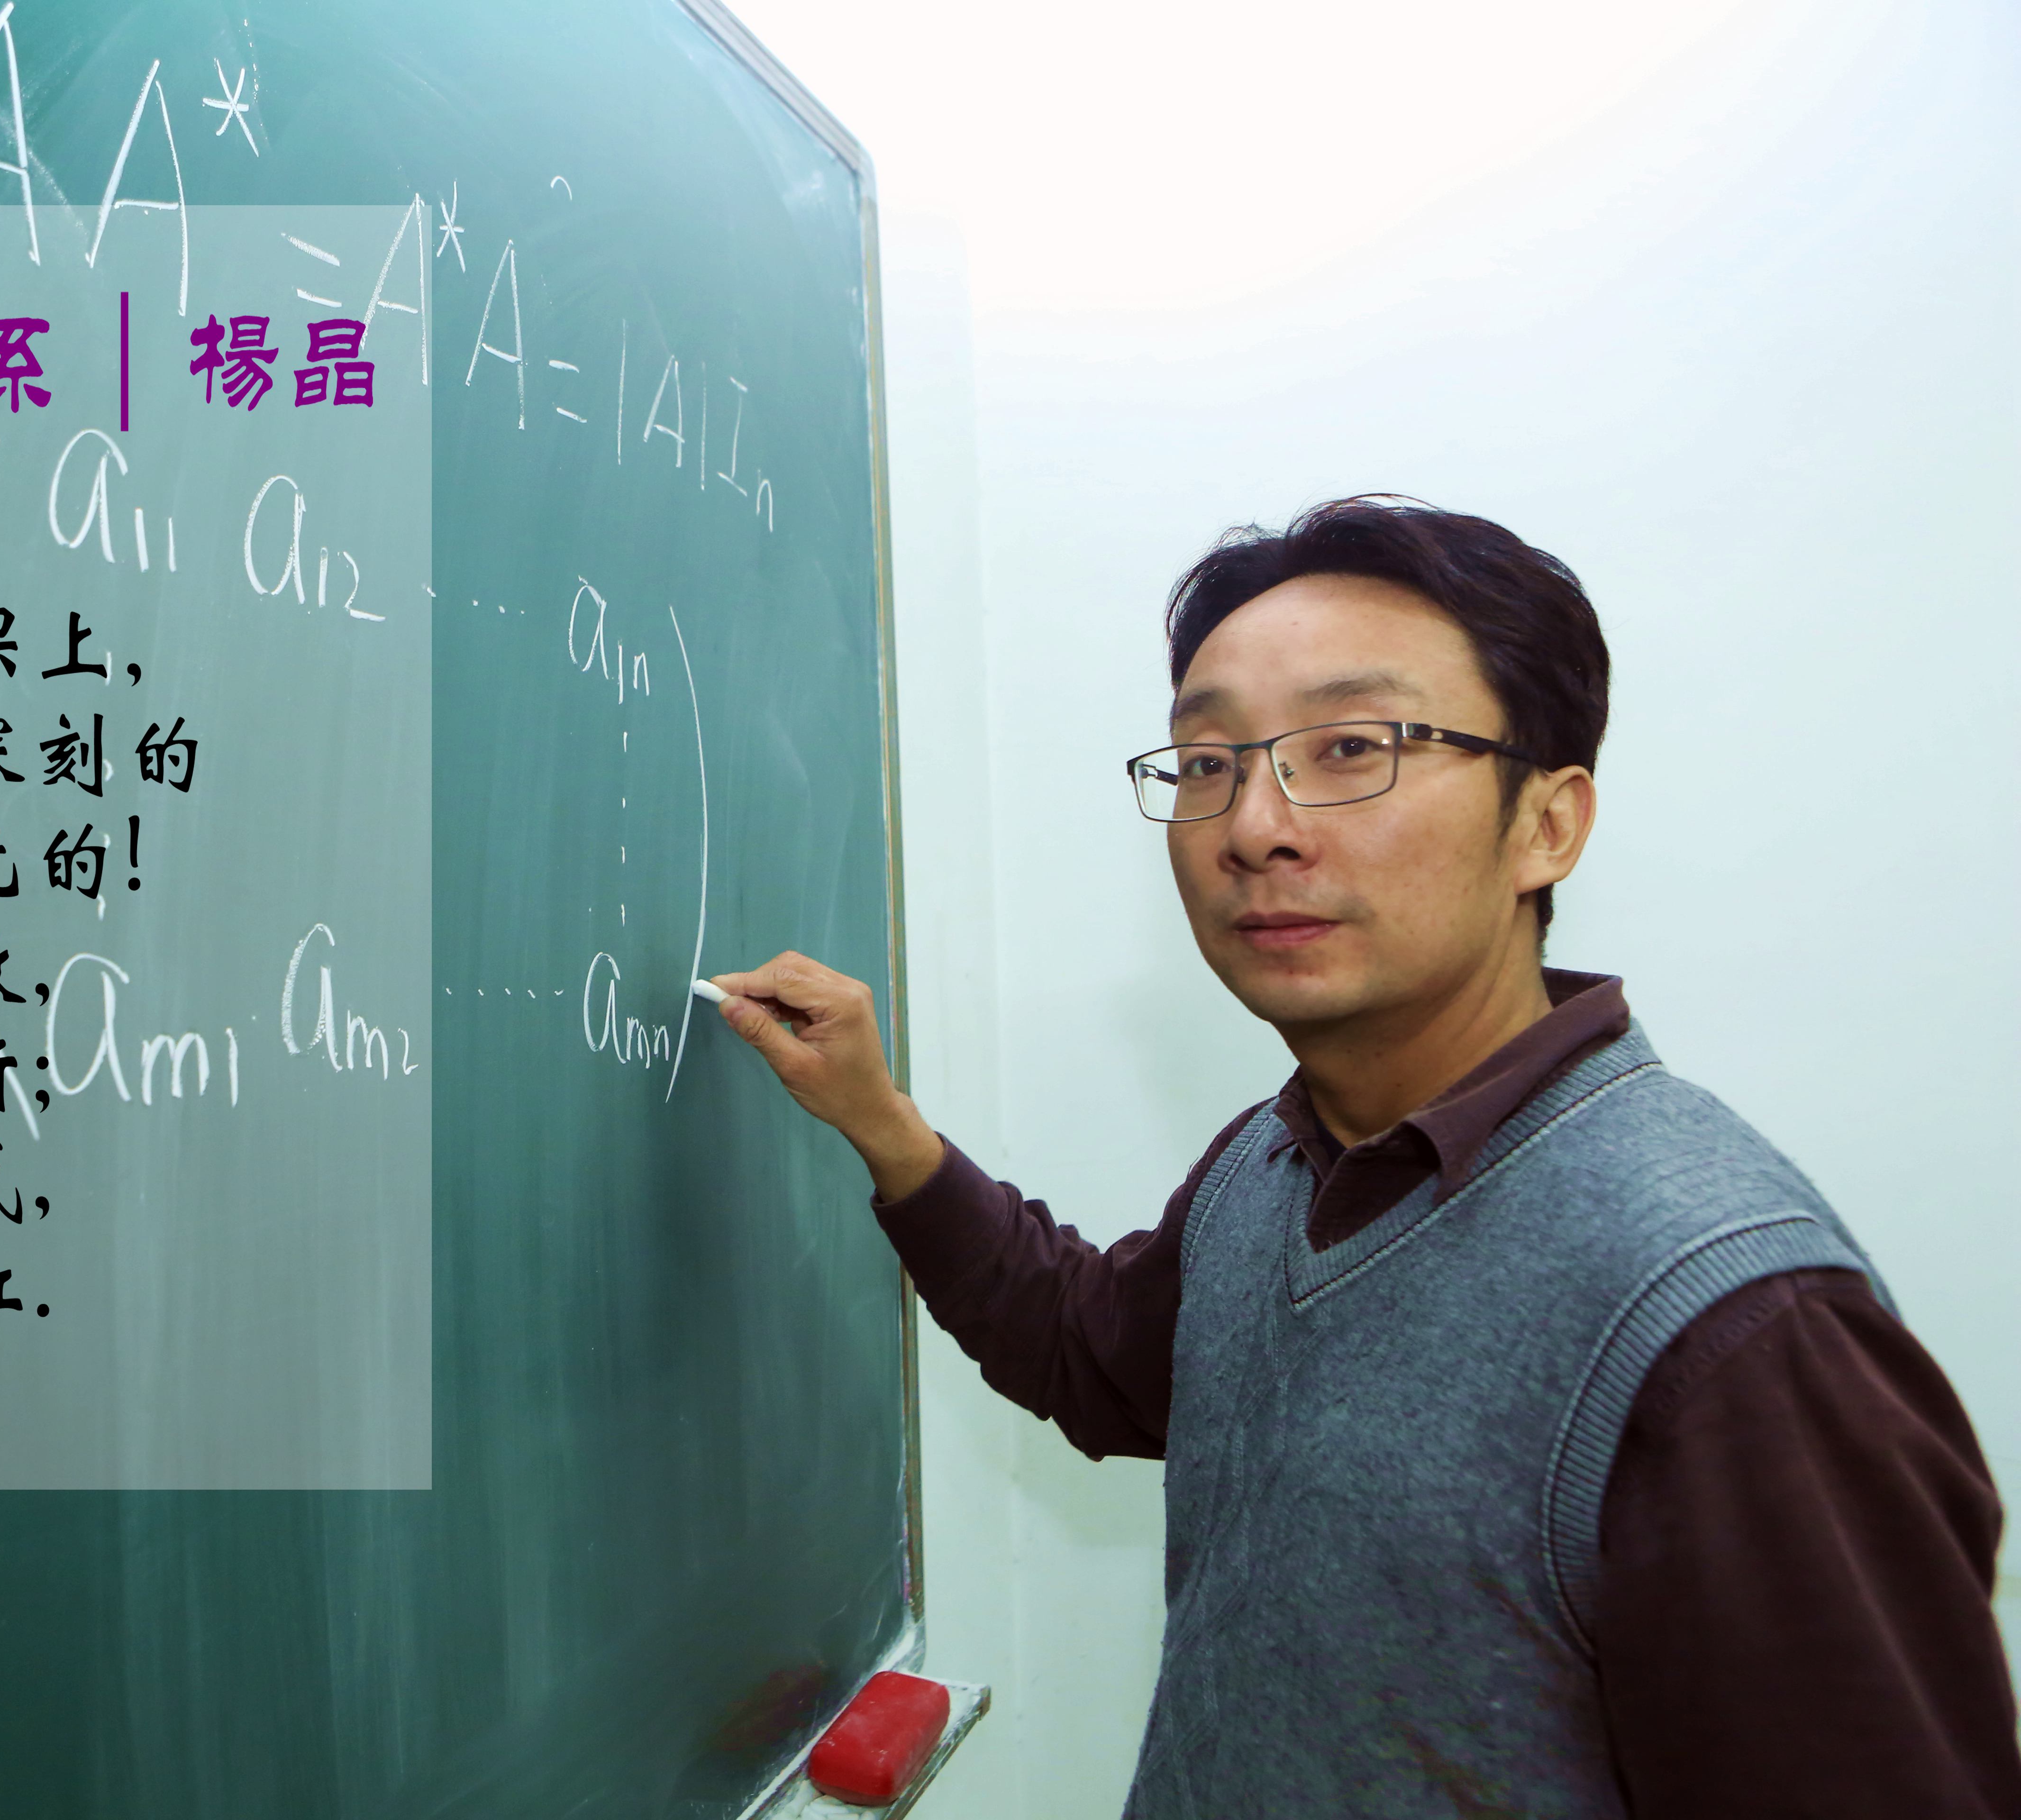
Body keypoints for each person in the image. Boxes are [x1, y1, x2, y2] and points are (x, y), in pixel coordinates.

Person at [710, 499, 2019, 1818]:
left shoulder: (1731, 1326)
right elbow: (1095, 1356)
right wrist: (881, 1122)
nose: (1254, 827)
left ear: (1548, 824)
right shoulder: (1278, 1166)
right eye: (1207, 762)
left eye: (1351, 748)